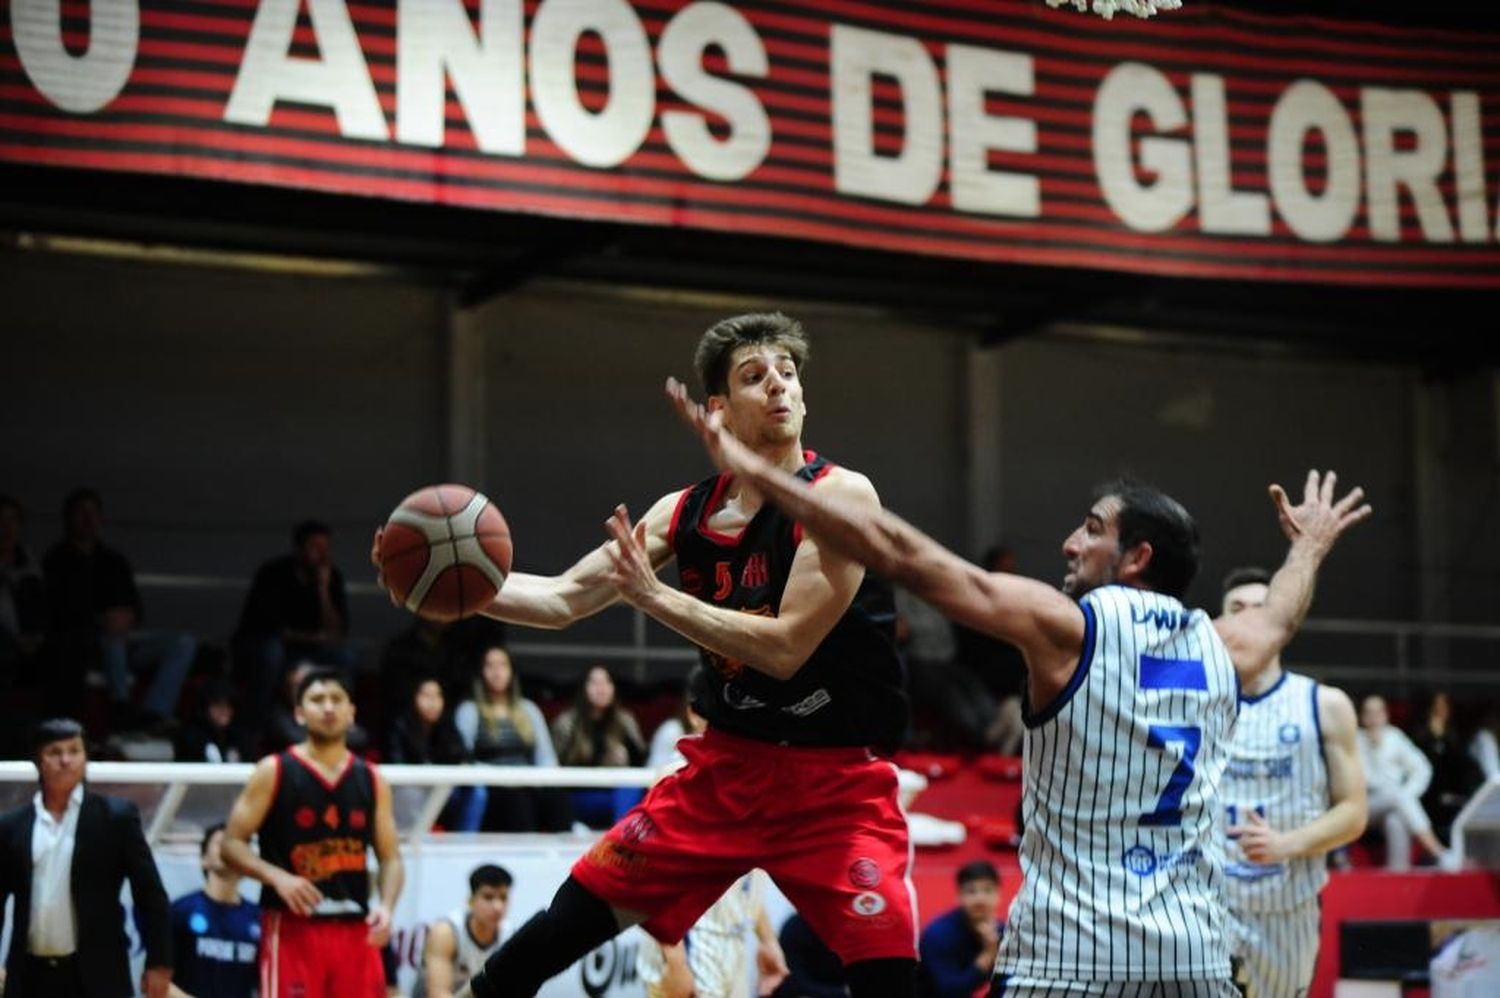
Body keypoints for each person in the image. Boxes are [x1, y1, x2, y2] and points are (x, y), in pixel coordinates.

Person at [670, 379, 1370, 997]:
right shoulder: (1229, 645)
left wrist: (756, 471)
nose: (1071, 543)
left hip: (1070, 958)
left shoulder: (1067, 628)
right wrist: (1309, 545)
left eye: (1092, 530)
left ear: (1137, 559)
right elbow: (1280, 610)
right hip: (1194, 957)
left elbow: (900, 554)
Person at [375, 313, 914, 998]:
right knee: (562, 926)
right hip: (727, 770)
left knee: (889, 978)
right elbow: (563, 598)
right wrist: (442, 588)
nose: (779, 386)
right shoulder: (679, 513)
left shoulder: (841, 495)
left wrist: (654, 598)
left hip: (834, 783)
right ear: (717, 409)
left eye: (788, 372)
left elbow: (786, 649)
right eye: (755, 376)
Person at [1217, 566, 1367, 998]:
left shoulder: (1324, 704)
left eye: (1261, 609)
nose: (1248, 618)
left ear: (1283, 622)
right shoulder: (1194, 701)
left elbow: (1354, 814)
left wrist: (1286, 844)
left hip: (1285, 910)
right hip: (1208, 905)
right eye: (1235, 609)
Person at [221, 666, 403, 997]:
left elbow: (391, 858)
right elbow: (231, 844)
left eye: (337, 699)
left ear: (352, 712)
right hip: (292, 927)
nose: (329, 707)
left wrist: (387, 907)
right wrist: (278, 878)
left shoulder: (373, 779)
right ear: (299, 713)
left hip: (355, 928)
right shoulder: (273, 771)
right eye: (317, 699)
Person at [0, 717, 173, 996]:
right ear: (39, 761)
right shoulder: (12, 826)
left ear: (85, 758)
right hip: (30, 976)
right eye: (55, 752)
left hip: (98, 976)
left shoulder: (115, 817)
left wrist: (160, 961)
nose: (66, 760)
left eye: (74, 751)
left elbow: (150, 895)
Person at [43, 487, 195, 729]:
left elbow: (136, 608)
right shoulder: (56, 560)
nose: (88, 519)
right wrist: (100, 620)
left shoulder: (114, 561)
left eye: (93, 513)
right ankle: (121, 707)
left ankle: (155, 713)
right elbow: (55, 610)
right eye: (81, 513)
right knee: (111, 639)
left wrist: (127, 618)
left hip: (124, 643)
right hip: (83, 645)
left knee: (183, 643)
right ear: (68, 518)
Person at [235, 519, 354, 726]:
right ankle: (256, 722)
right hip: (270, 645)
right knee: (271, 653)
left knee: (345, 656)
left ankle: (343, 721)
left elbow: (337, 631)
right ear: (299, 549)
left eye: (326, 548)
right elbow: (268, 626)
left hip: (311, 648)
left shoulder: (332, 577)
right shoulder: (274, 573)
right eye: (315, 548)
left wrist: (323, 589)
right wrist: (313, 637)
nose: (322, 555)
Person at [453, 645, 568, 832]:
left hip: (528, 783)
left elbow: (546, 757)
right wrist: (505, 777)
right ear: (481, 672)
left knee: (558, 797)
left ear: (511, 671)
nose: (497, 672)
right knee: (518, 802)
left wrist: (541, 779)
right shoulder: (469, 710)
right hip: (493, 787)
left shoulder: (528, 709)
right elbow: (465, 761)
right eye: (490, 666)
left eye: (502, 665)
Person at [637, 870, 787, 998]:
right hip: (692, 941)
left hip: (733, 940)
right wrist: (676, 962)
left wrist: (768, 940)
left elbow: (747, 880)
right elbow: (657, 874)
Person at [1357, 693, 1449, 869]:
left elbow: (1422, 768)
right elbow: (1364, 781)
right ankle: (1436, 850)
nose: (1373, 718)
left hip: (1396, 802)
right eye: (1369, 713)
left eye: (1377, 713)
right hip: (1366, 806)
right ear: (1362, 716)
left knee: (1396, 818)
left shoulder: (1394, 736)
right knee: (1398, 797)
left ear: (1385, 715)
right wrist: (1373, 749)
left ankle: (1398, 871)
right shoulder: (1356, 740)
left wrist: (1410, 794)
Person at [169, 822, 260, 998]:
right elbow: (154, 981)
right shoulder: (180, 911)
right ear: (204, 859)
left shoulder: (260, 919)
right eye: (221, 843)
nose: (228, 852)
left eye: (236, 848)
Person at [413, 865, 514, 998]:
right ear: (471, 900)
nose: (497, 907)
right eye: (488, 897)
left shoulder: (508, 935)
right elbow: (438, 994)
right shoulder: (445, 932)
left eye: (503, 898)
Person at [919, 861, 1005, 998]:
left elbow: (1010, 984)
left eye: (988, 890)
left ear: (999, 895)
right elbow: (949, 991)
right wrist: (988, 954)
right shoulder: (938, 934)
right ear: (959, 896)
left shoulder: (1004, 933)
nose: (980, 899)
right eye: (971, 891)